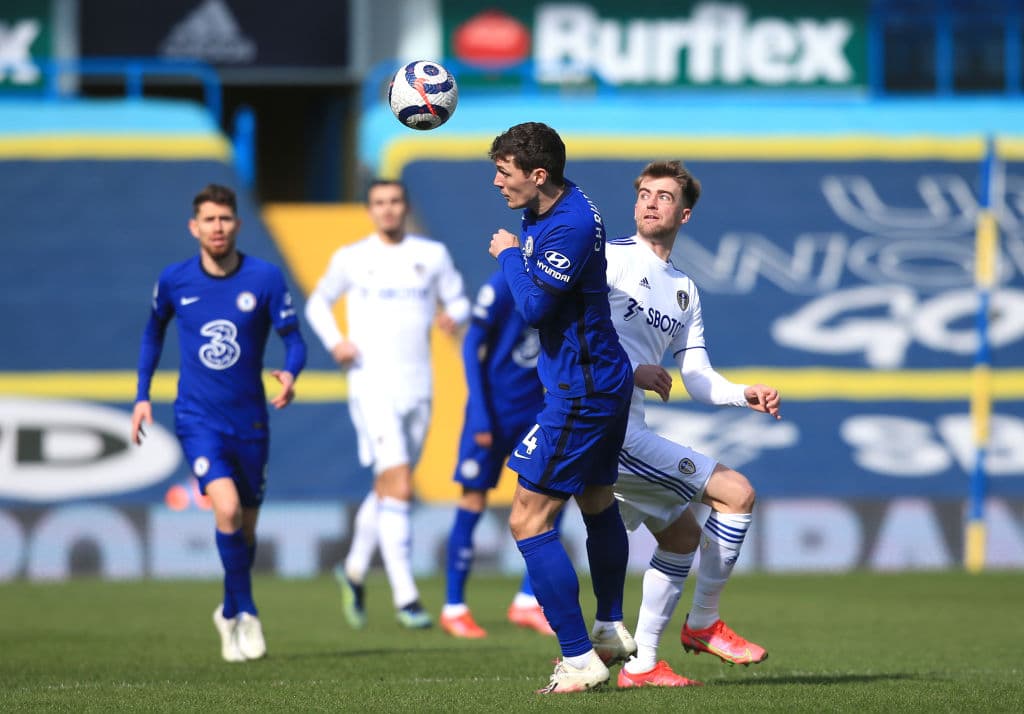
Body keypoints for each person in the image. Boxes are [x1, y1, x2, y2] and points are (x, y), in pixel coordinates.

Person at [604, 160, 780, 688]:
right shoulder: (607, 260)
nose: (650, 202)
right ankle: (702, 624)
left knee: (681, 535)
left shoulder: (683, 290)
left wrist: (740, 393)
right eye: (644, 193)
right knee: (736, 493)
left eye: (663, 196)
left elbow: (697, 376)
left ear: (684, 213)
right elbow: (572, 336)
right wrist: (631, 370)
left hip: (626, 427)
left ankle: (642, 665)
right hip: (603, 425)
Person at [487, 122, 636, 693]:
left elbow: (532, 308)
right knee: (598, 502)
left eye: (505, 172)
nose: (498, 182)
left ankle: (578, 657)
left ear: (538, 174)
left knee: (527, 518)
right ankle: (609, 629)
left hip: (582, 390)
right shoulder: (554, 206)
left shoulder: (569, 225)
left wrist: (506, 256)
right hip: (597, 381)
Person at [130, 184, 306, 662]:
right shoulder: (175, 280)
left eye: (225, 219)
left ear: (237, 224)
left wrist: (290, 374)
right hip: (196, 417)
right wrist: (142, 397)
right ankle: (246, 614)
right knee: (225, 510)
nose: (217, 227)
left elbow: (295, 341)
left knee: (244, 531)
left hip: (250, 422)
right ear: (194, 227)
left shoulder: (265, 278)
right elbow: (152, 334)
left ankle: (227, 610)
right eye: (208, 220)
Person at [305, 179, 470, 629]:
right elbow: (317, 303)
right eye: (379, 203)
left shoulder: (431, 255)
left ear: (405, 206)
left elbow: (459, 301)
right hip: (370, 384)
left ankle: (354, 569)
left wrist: (453, 316)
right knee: (398, 482)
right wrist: (336, 342)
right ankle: (406, 596)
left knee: (389, 486)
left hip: (419, 386)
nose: (388, 209)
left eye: (395, 201)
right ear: (370, 209)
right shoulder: (353, 258)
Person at [440, 269, 561, 639]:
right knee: (473, 499)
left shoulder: (563, 281)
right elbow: (471, 343)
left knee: (555, 496)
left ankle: (527, 600)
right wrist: (479, 412)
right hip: (493, 411)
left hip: (536, 411)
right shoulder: (502, 284)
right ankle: (454, 606)